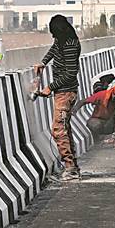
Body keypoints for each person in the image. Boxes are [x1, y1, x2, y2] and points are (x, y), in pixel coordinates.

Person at [35, 15, 82, 181]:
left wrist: (50, 87)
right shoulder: (63, 41)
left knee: (58, 129)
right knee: (65, 128)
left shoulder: (70, 45)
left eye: (54, 33)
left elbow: (70, 73)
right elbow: (54, 50)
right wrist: (43, 62)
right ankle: (73, 166)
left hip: (66, 93)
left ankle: (70, 167)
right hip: (62, 92)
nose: (53, 37)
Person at [72, 81, 115, 150]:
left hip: (111, 125)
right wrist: (75, 109)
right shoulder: (102, 95)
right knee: (92, 123)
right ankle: (97, 142)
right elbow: (83, 101)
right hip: (99, 122)